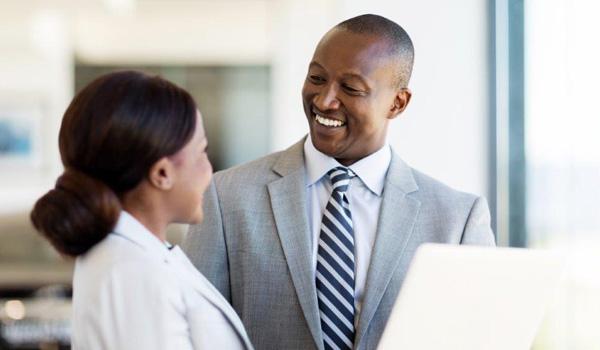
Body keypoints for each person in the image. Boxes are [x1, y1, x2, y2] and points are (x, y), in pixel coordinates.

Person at [183, 14, 495, 350]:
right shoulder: (227, 196)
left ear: (397, 102)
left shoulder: (457, 220)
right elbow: (193, 332)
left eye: (350, 88)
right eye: (317, 78)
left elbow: (478, 338)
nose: (324, 100)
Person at [30, 71, 253, 350]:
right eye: (202, 152)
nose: (209, 170)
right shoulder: (132, 271)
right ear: (162, 173)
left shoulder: (133, 256)